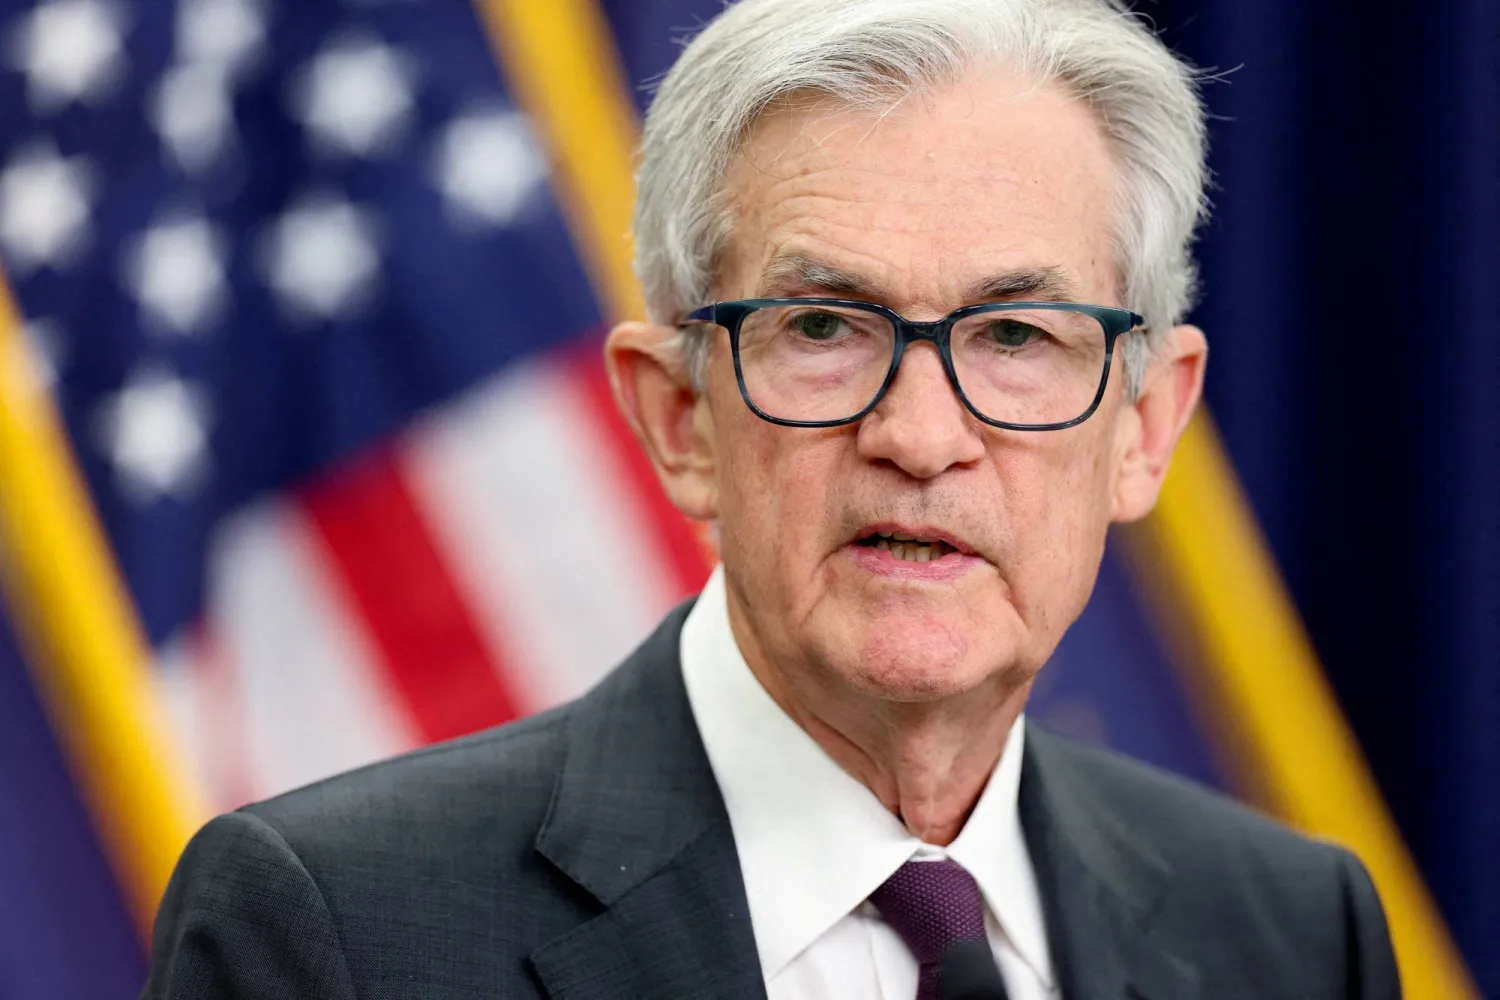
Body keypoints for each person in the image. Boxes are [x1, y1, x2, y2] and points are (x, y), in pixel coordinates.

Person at [142, 0, 1402, 997]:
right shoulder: (333, 934)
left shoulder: (1290, 931)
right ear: (680, 415)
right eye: (822, 325)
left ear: (1142, 426)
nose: (920, 435)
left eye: (1017, 335)